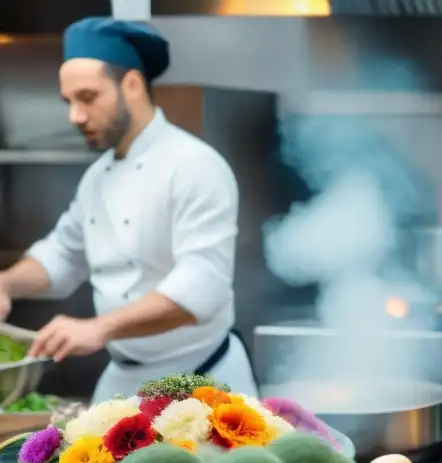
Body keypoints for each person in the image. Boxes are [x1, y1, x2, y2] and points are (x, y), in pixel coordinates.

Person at [0, 17, 257, 403]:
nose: (75, 116)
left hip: (202, 382)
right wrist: (6, 282)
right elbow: (61, 255)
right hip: (121, 384)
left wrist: (99, 328)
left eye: (87, 97)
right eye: (69, 102)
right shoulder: (97, 177)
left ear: (132, 85)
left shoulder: (193, 165)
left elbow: (202, 287)